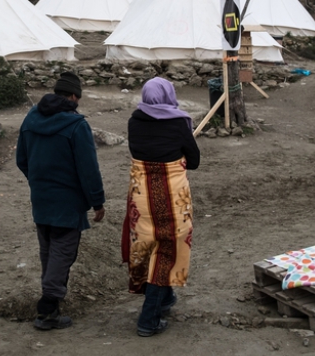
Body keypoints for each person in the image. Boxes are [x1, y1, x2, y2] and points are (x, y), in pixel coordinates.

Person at [16, 71, 106, 330]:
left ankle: (51, 305)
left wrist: (38, 181)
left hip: (41, 199)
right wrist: (97, 202)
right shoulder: (77, 126)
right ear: (74, 96)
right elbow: (88, 170)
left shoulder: (31, 118)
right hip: (68, 203)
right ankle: (47, 309)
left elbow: (21, 159)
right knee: (63, 252)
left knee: (49, 252)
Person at [123, 77, 200, 337]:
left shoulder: (134, 122)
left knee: (149, 245)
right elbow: (195, 161)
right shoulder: (179, 123)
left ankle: (165, 299)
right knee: (166, 250)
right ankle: (148, 320)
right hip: (170, 199)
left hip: (141, 197)